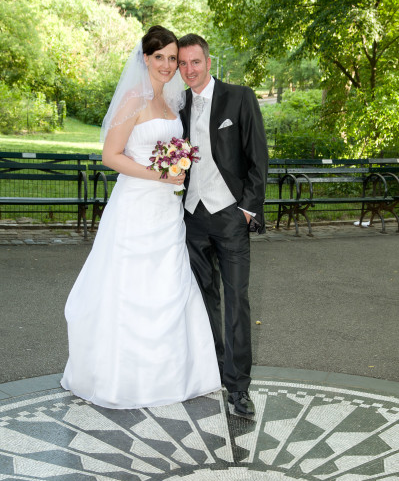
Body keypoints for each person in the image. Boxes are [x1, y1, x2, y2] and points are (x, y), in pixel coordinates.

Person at [61, 26, 221, 409]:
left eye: (172, 58)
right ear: (145, 59)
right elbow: (111, 156)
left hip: (167, 211)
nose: (167, 65)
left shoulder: (172, 102)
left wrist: (177, 169)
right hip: (135, 207)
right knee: (129, 288)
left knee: (169, 284)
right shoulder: (133, 99)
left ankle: (173, 374)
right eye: (160, 57)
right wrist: (160, 174)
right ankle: (124, 378)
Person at [178, 34, 268, 418]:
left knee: (236, 302)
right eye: (182, 64)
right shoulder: (177, 104)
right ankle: (214, 370)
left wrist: (247, 210)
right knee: (202, 301)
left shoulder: (239, 97)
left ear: (208, 62)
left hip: (230, 217)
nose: (188, 70)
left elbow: (258, 157)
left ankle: (239, 388)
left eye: (195, 62)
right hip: (192, 217)